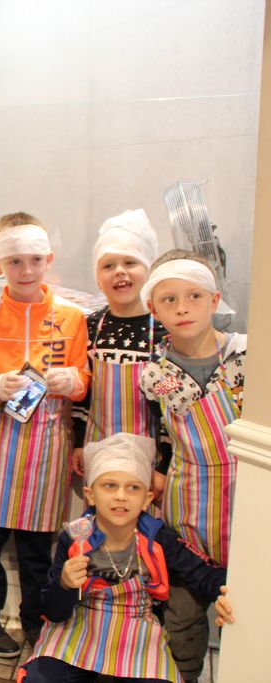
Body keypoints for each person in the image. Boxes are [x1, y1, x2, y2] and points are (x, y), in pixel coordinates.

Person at [0, 212, 90, 658]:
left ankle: (37, 620)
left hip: (49, 446)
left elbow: (85, 381)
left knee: (39, 548)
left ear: (49, 259)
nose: (27, 270)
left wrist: (72, 380)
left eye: (35, 259)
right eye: (15, 261)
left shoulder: (72, 318)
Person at [19, 433, 236, 682]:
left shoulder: (158, 538)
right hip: (80, 624)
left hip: (137, 628)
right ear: (90, 494)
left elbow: (203, 572)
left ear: (146, 499)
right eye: (109, 485)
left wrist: (223, 593)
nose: (121, 496)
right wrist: (65, 585)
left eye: (133, 487)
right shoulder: (75, 538)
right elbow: (53, 612)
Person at [139, 250, 245, 683]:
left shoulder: (247, 355)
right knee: (181, 613)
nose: (183, 308)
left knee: (244, 610)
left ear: (214, 300)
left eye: (194, 296)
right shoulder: (155, 373)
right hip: (187, 508)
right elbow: (161, 433)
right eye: (169, 299)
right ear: (153, 308)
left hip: (245, 502)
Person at [71, 210, 165, 476]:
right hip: (97, 449)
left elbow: (169, 405)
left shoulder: (164, 331)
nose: (120, 271)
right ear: (98, 278)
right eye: (108, 265)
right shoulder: (90, 326)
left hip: (149, 456)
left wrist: (164, 463)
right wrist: (78, 442)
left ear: (149, 270)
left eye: (130, 262)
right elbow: (85, 392)